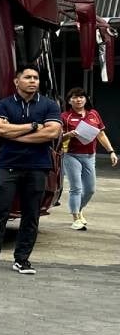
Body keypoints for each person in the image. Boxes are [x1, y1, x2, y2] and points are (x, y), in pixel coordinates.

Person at [0, 64, 61, 275]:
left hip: (37, 167)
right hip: (7, 165)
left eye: (35, 78)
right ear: (17, 81)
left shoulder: (49, 105)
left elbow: (51, 133)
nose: (33, 81)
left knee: (31, 215)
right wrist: (33, 126)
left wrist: (14, 134)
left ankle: (22, 259)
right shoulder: (4, 104)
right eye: (28, 77)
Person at [61, 88, 117, 229]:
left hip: (89, 156)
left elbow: (101, 135)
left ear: (86, 99)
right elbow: (58, 138)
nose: (78, 100)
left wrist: (111, 151)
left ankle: (78, 210)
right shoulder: (64, 116)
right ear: (69, 101)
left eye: (81, 97)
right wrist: (69, 134)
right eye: (74, 97)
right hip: (71, 155)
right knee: (76, 188)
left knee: (90, 189)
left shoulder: (93, 114)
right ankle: (75, 218)